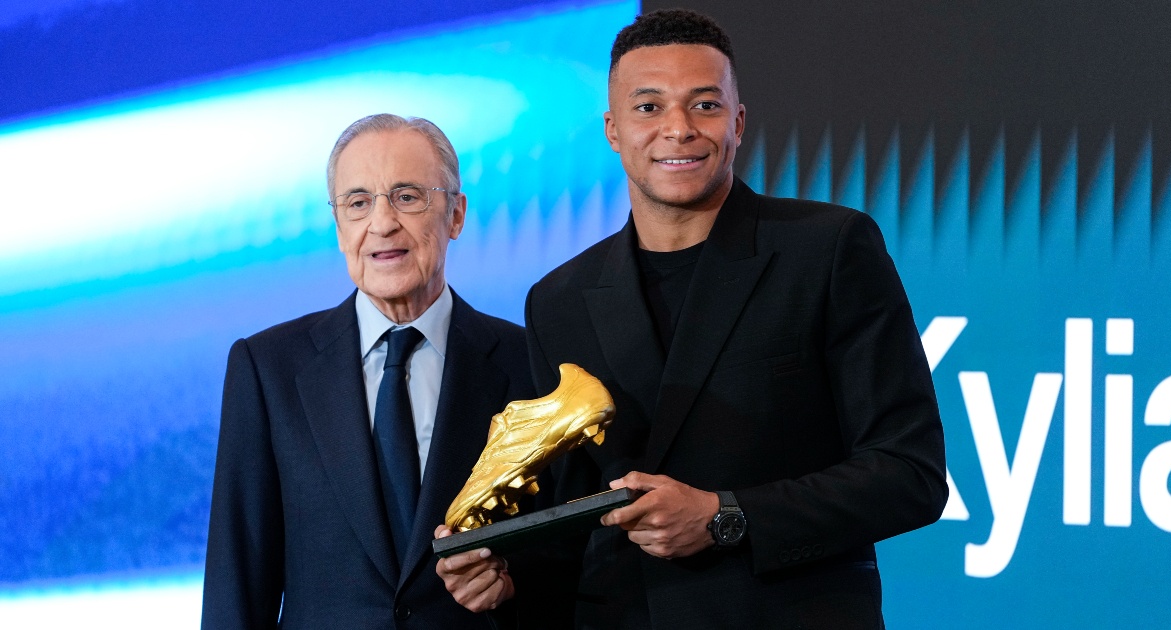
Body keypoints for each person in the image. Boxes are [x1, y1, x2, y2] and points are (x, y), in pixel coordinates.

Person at [438, 9, 948, 629]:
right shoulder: (559, 299)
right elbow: (573, 524)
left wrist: (723, 515)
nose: (678, 129)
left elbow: (908, 474)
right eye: (648, 107)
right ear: (613, 129)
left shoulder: (830, 248)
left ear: (737, 122)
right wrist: (504, 575)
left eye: (704, 105)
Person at [202, 114, 534, 629]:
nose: (382, 224)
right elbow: (238, 581)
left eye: (407, 197)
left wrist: (511, 580)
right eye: (358, 203)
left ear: (456, 215)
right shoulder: (267, 369)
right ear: (339, 228)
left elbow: (570, 554)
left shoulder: (525, 360)